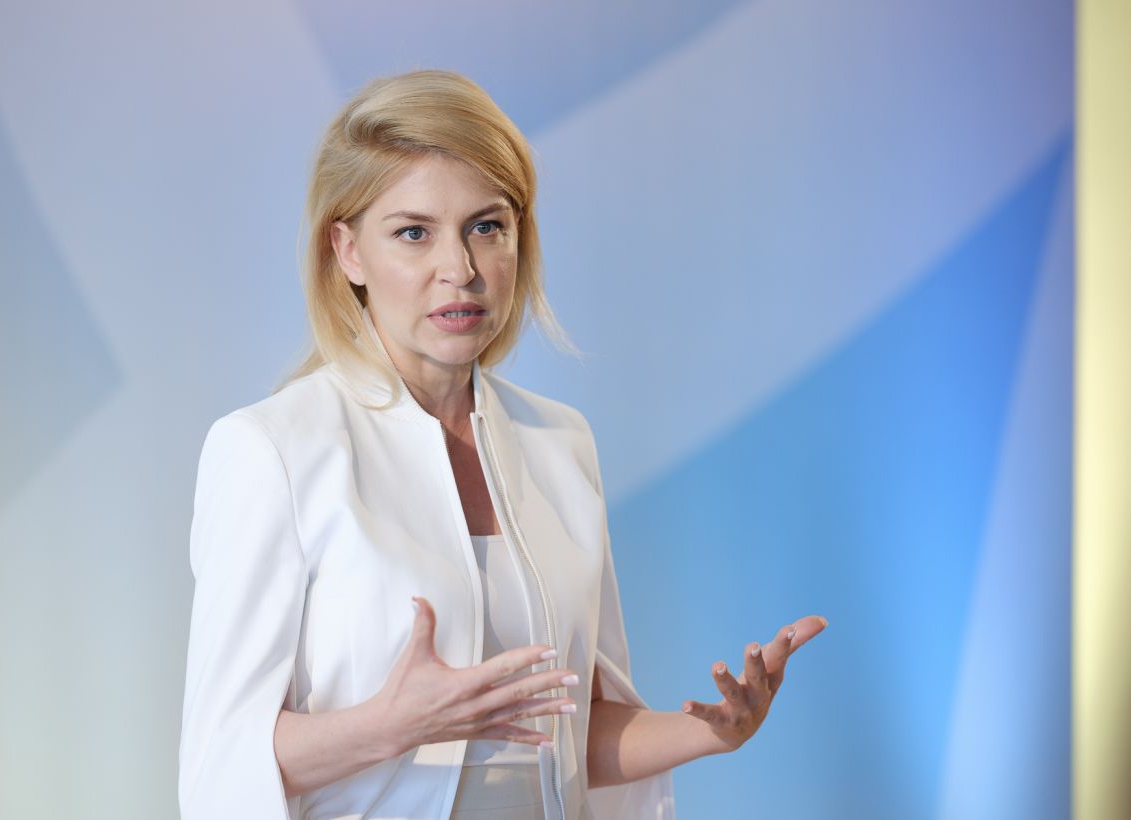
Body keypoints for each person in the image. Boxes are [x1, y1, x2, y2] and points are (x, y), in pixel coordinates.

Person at [177, 68, 827, 820]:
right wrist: (393, 725)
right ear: (347, 251)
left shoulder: (560, 443)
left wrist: (712, 732)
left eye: (486, 227)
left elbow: (569, 731)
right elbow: (223, 757)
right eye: (413, 233)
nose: (460, 270)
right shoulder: (271, 450)